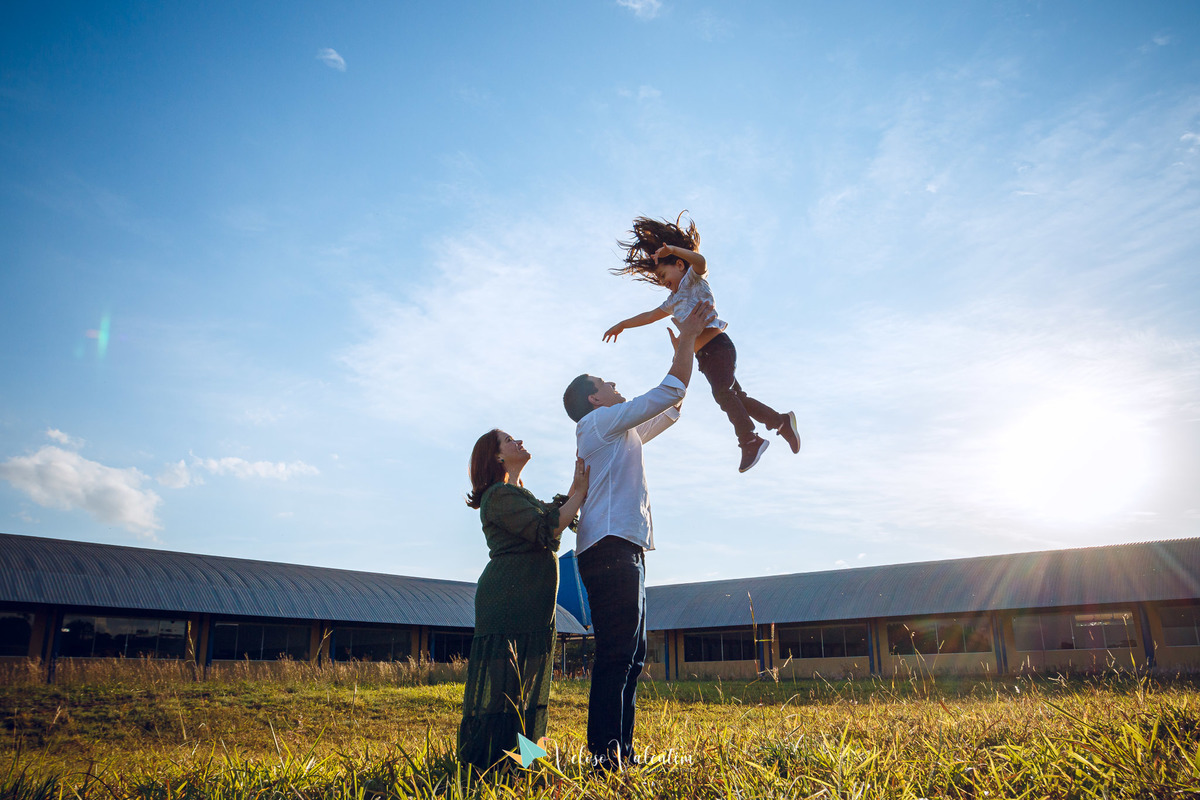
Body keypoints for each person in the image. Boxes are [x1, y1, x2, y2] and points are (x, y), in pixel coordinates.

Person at [561, 300, 710, 770]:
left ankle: (621, 753)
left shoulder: (617, 430)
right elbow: (664, 393)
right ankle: (605, 757)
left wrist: (684, 352)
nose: (615, 385)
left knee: (633, 654)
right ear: (593, 398)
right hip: (608, 548)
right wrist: (685, 342)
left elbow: (669, 408)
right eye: (607, 383)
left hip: (624, 547)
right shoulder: (598, 423)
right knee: (617, 653)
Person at [604, 213, 801, 473]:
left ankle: (749, 440)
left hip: (719, 347)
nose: (665, 284)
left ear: (680, 264)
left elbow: (701, 260)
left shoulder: (693, 279)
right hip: (704, 358)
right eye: (661, 282)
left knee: (723, 394)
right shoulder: (673, 300)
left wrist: (674, 248)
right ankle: (781, 422)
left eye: (664, 275)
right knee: (735, 397)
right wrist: (623, 324)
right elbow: (650, 316)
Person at [457, 429, 589, 773]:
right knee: (506, 688)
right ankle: (489, 764)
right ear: (497, 457)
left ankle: (523, 762)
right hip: (509, 600)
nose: (519, 441)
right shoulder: (498, 496)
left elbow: (552, 515)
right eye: (509, 440)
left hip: (532, 604)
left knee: (526, 687)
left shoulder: (517, 493)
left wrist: (577, 486)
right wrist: (582, 492)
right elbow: (552, 524)